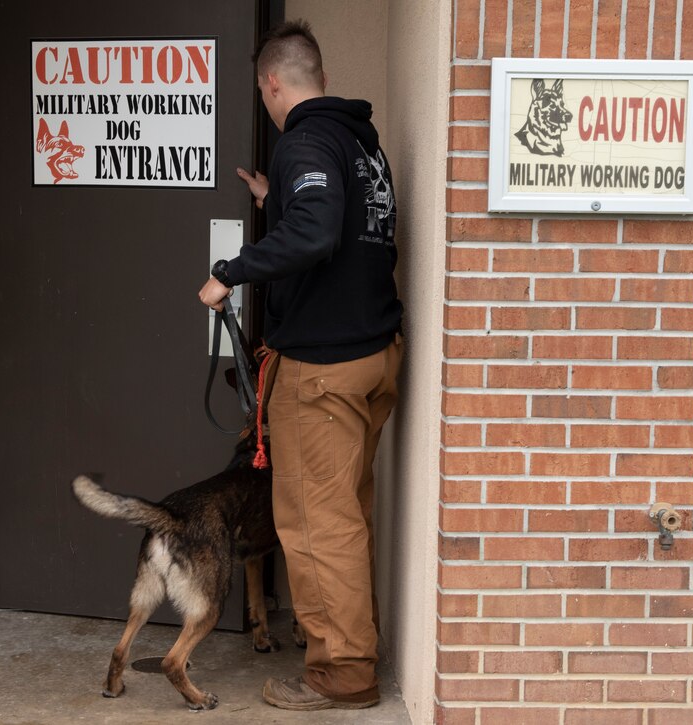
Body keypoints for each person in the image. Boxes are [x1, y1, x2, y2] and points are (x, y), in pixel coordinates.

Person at [197, 20, 403, 712]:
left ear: (272, 83)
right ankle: (352, 649)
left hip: (323, 369)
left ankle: (342, 671)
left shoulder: (305, 141)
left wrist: (231, 270)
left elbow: (314, 231)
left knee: (318, 523)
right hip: (371, 356)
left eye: (261, 90)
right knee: (346, 514)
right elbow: (334, 225)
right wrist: (272, 200)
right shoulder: (355, 144)